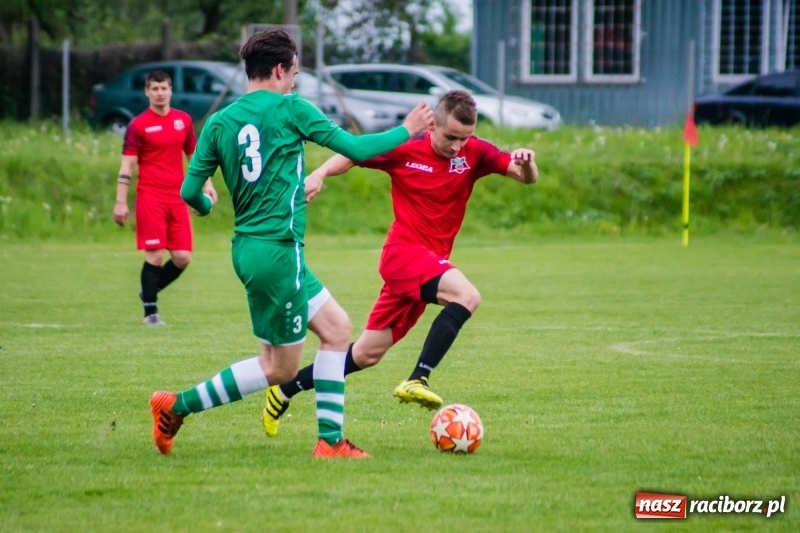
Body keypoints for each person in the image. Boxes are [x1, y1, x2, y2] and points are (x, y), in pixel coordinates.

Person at [149, 29, 433, 458]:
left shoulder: (218, 123)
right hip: (278, 252)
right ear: (279, 69)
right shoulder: (291, 108)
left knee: (337, 330)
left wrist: (208, 206)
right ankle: (178, 406)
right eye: (295, 73)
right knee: (277, 367)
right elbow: (355, 147)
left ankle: (330, 440)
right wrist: (406, 130)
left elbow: (190, 192)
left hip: (251, 249)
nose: (295, 83)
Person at [260, 89, 538, 437]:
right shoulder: (406, 148)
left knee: (364, 354)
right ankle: (418, 377)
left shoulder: (474, 152)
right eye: (450, 137)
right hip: (404, 255)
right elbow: (352, 154)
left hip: (429, 263)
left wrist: (527, 163)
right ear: (432, 123)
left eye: (463, 138)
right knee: (467, 296)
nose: (456, 146)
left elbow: (524, 176)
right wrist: (320, 175)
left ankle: (285, 389)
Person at [113, 70, 218, 326]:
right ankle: (151, 313)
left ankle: (148, 291)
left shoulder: (183, 120)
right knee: (156, 255)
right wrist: (120, 201)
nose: (160, 93)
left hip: (178, 198)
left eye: (164, 88)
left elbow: (196, 157)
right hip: (150, 197)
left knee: (182, 257)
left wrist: (208, 185)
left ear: (171, 91)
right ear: (147, 92)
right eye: (155, 89)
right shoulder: (138, 125)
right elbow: (127, 166)